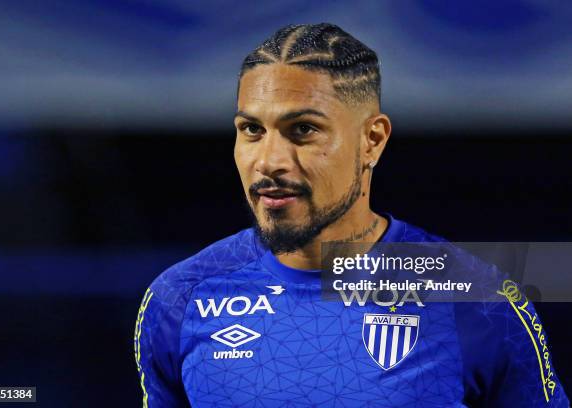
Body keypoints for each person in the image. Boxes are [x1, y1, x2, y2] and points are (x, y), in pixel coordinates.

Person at [133, 23, 569, 407]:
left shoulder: (478, 300)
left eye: (302, 130)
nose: (268, 161)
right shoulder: (180, 298)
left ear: (372, 141)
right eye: (252, 130)